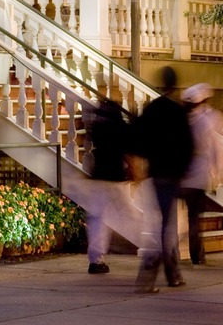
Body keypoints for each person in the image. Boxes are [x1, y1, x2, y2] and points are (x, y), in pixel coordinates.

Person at [130, 66, 194, 293]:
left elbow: (135, 137)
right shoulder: (177, 112)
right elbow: (188, 146)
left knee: (162, 225)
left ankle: (171, 273)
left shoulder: (152, 109)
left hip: (155, 173)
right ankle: (157, 274)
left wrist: (144, 161)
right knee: (166, 227)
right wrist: (184, 171)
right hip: (172, 174)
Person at [81, 96, 145, 275]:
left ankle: (96, 260)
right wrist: (135, 172)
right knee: (129, 215)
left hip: (98, 177)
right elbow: (128, 152)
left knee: (97, 219)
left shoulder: (97, 127)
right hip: (115, 178)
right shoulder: (118, 127)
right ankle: (152, 245)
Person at [180, 82, 223, 265]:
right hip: (198, 174)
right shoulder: (209, 119)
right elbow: (216, 146)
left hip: (184, 174)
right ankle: (197, 255)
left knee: (190, 216)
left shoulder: (185, 119)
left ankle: (194, 252)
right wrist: (218, 170)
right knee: (194, 216)